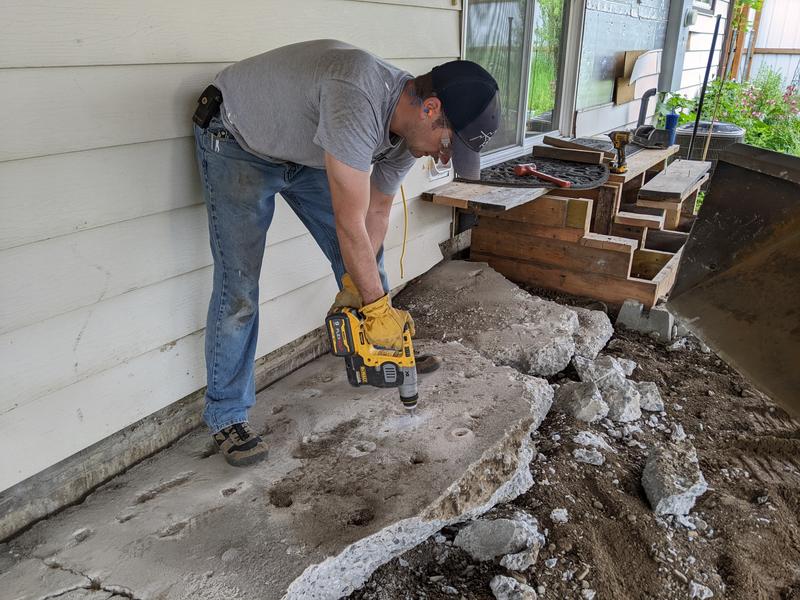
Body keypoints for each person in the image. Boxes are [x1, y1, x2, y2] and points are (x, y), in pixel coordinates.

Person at [192, 39, 500, 467]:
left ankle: (383, 354)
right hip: (237, 141)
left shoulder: (405, 136)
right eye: (448, 143)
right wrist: (375, 307)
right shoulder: (357, 98)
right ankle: (226, 414)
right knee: (238, 284)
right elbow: (349, 224)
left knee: (363, 266)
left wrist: (359, 287)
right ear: (429, 109)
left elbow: (375, 210)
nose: (442, 156)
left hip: (305, 148)